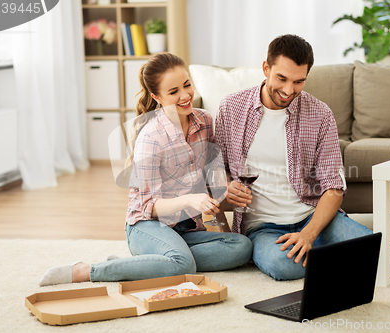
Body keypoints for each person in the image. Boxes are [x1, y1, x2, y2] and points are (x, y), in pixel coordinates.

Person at [39, 53, 252, 286]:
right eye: (173, 92)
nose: (185, 95)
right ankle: (87, 270)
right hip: (146, 226)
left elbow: (213, 178)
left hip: (187, 229)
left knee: (241, 247)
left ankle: (148, 265)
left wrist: (223, 211)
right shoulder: (151, 137)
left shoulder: (205, 122)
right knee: (184, 265)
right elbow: (148, 207)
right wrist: (189, 200)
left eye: (187, 85)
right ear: (156, 97)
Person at [214, 34, 390, 281]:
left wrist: (309, 234)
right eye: (281, 78)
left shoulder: (320, 114)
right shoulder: (231, 108)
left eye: (299, 81)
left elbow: (333, 187)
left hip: (312, 218)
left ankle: (321, 251)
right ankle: (343, 257)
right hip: (263, 227)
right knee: (283, 266)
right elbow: (217, 167)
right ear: (266, 68)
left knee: (389, 257)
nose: (288, 90)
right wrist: (228, 186)